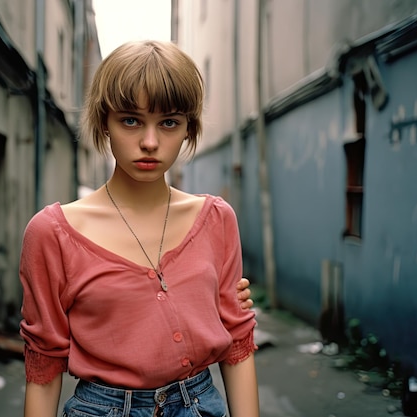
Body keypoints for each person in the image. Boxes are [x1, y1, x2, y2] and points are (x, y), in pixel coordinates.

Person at [20, 40, 259, 417]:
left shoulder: (217, 219)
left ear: (188, 129)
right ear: (104, 122)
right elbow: (44, 363)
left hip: (199, 404)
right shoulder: (53, 233)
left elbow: (237, 342)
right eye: (131, 120)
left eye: (169, 122)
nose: (150, 142)